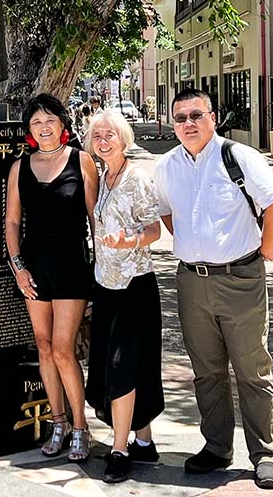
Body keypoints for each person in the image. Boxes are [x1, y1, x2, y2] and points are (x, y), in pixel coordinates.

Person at [154, 89, 273, 490]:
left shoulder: (238, 156)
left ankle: (265, 453)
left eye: (196, 115)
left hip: (241, 278)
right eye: (180, 118)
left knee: (252, 370)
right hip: (191, 281)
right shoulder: (166, 166)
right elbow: (165, 209)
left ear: (213, 117)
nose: (188, 124)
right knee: (206, 372)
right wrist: (196, 249)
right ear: (172, 123)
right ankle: (216, 448)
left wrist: (265, 249)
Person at [6, 94, 99, 462]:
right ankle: (57, 422)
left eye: (50, 120)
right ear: (29, 130)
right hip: (34, 267)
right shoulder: (20, 167)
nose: (43, 127)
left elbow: (94, 218)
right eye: (36, 122)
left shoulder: (82, 161)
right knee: (43, 346)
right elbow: (12, 220)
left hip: (72, 265)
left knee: (63, 348)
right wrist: (18, 267)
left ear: (62, 124)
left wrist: (101, 270)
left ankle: (80, 427)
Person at [83, 109, 164, 483]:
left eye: (109, 135)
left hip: (134, 286)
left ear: (123, 138)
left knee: (121, 366)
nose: (103, 141)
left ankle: (119, 449)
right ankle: (143, 438)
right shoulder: (103, 176)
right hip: (106, 285)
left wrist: (128, 240)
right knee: (122, 364)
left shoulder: (135, 178)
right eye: (97, 136)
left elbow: (154, 230)